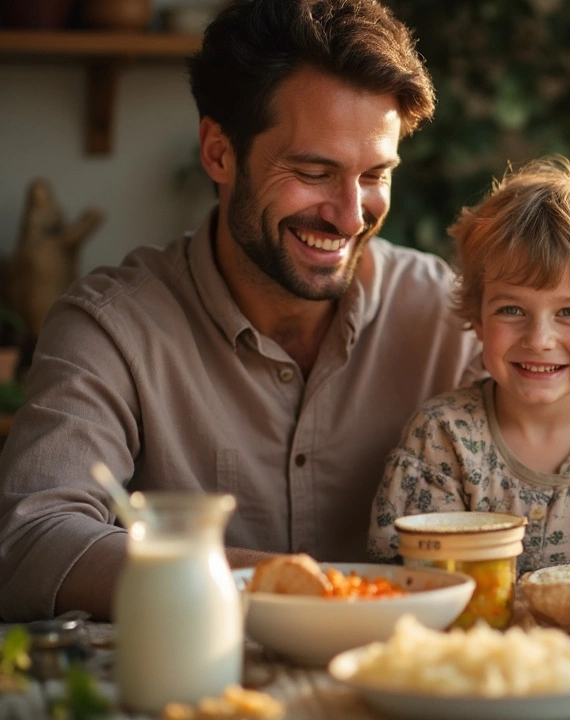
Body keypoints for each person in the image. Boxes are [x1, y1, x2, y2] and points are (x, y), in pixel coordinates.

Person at [0, 0, 484, 621]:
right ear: (219, 153)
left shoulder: (449, 316)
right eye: (314, 171)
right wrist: (275, 583)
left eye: (374, 174)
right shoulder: (110, 326)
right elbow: (29, 540)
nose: (350, 214)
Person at [368, 156, 570, 577]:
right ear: (479, 319)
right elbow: (410, 579)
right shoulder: (442, 437)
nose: (539, 339)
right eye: (511, 309)